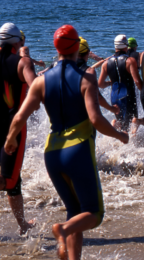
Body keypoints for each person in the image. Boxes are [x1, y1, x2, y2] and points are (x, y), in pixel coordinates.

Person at [5, 25, 128, 259]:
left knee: (75, 211)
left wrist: (10, 140)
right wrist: (120, 135)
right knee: (94, 213)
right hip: (78, 151)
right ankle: (62, 229)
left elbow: (20, 116)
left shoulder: (41, 80)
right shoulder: (86, 77)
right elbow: (95, 119)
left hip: (52, 154)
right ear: (76, 47)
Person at [0, 23, 37, 235]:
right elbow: (36, 89)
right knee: (8, 181)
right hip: (12, 130)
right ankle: (22, 225)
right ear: (18, 42)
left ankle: (22, 225)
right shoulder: (22, 63)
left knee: (14, 180)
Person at [98, 34, 142, 132]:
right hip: (128, 96)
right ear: (126, 46)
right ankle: (131, 144)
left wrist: (111, 82)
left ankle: (115, 125)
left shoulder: (106, 63)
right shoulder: (130, 61)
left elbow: (100, 84)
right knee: (131, 122)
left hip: (114, 96)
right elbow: (137, 81)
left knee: (121, 121)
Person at [77, 36, 120, 116]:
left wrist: (104, 60)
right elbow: (98, 97)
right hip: (82, 118)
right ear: (87, 53)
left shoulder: (63, 67)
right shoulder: (88, 72)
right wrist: (111, 108)